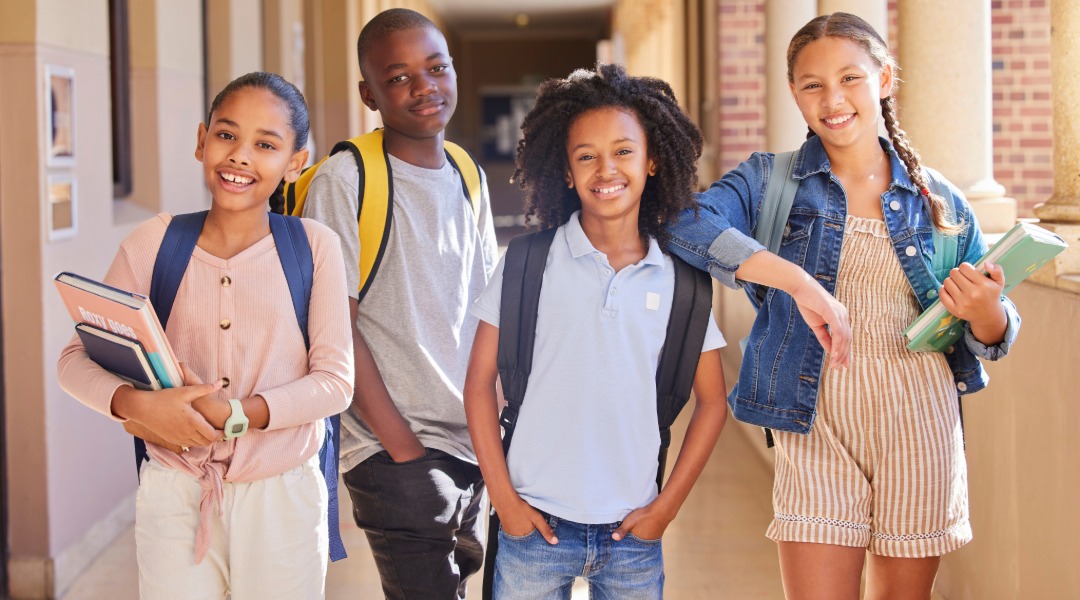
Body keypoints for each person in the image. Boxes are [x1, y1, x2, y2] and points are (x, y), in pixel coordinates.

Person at [667, 12, 1021, 599]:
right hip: (816, 422)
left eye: (851, 78)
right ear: (794, 95)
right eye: (813, 85)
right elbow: (685, 222)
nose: (833, 99)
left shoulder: (942, 201)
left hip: (921, 425)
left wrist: (986, 312)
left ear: (884, 79)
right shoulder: (769, 181)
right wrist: (796, 282)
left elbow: (994, 332)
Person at [57, 72, 354, 599]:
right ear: (201, 141)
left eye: (265, 145)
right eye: (226, 135)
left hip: (281, 493)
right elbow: (74, 360)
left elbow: (334, 383)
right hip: (175, 491)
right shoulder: (153, 244)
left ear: (294, 163)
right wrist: (136, 406)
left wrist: (240, 415)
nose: (240, 156)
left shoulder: (315, 247)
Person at [464, 63, 729, 600]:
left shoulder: (683, 283)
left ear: (653, 161)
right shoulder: (525, 264)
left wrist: (665, 508)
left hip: (632, 531)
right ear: (565, 171)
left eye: (623, 151)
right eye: (586, 156)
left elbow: (712, 402)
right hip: (533, 523)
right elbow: (477, 385)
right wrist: (505, 500)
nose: (605, 168)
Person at [300, 8, 498, 600]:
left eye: (436, 68)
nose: (424, 87)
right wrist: (404, 451)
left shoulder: (467, 172)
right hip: (396, 453)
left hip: (472, 442)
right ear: (369, 93)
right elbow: (334, 325)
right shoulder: (346, 179)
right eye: (399, 76)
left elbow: (486, 304)